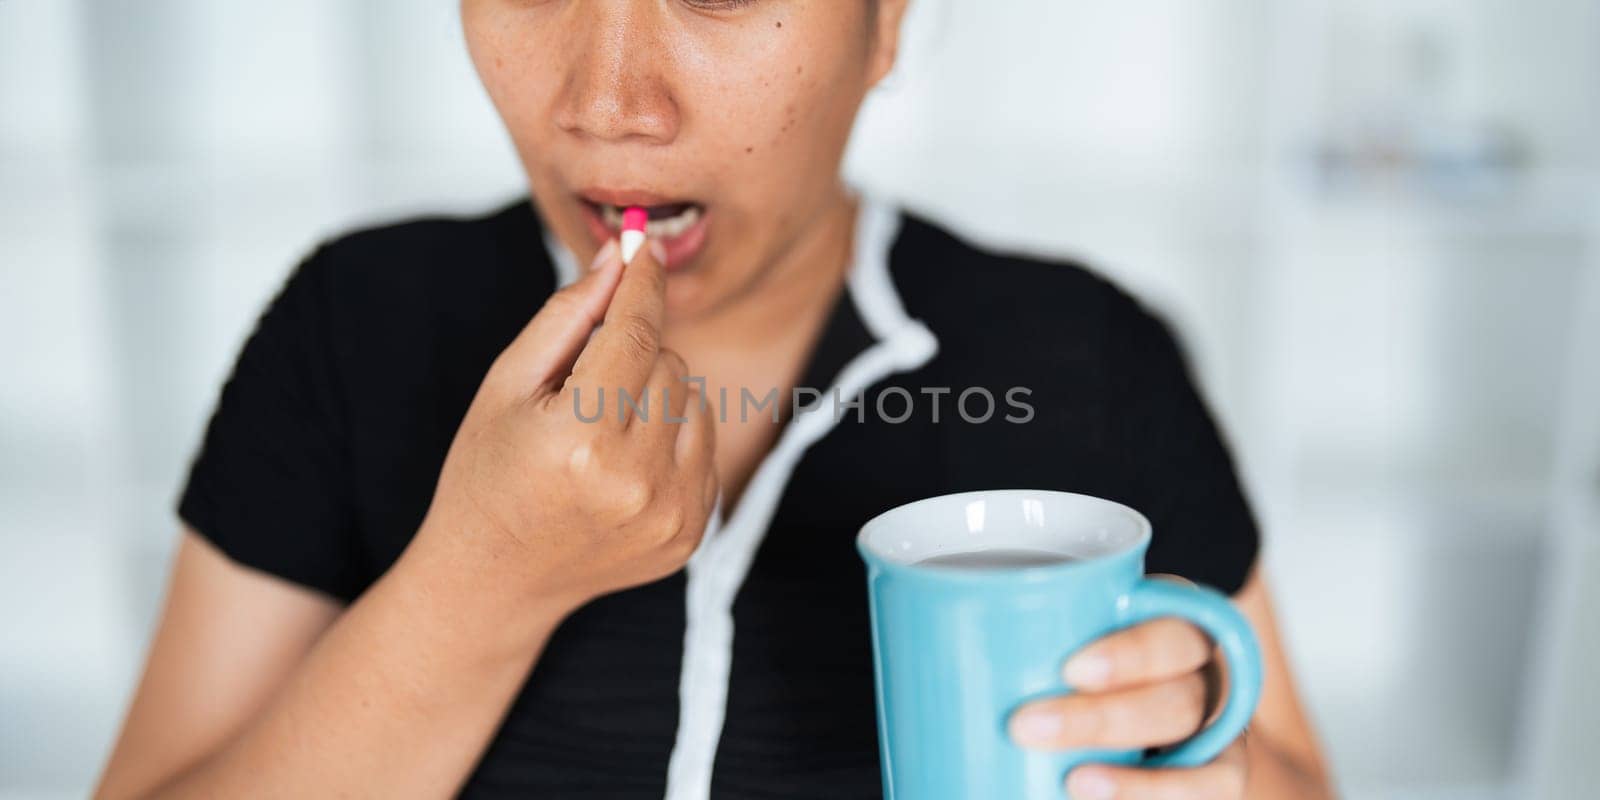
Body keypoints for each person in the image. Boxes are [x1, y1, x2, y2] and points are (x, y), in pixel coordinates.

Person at [96, 2, 1333, 798]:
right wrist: (482, 578)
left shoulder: (1088, 354)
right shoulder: (352, 321)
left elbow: (1290, 776)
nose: (609, 100)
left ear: (885, 22)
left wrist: (1203, 756)